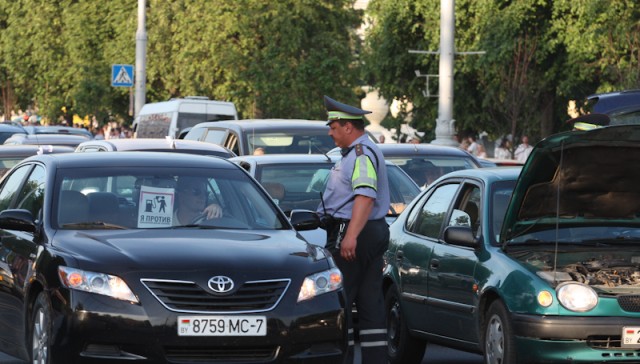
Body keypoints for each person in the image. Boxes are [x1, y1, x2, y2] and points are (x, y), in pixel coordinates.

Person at [317, 95, 390, 364]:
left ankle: (343, 358)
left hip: (357, 233)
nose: (330, 132)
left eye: (334, 127)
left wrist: (351, 236)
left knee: (341, 300)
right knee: (370, 303)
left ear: (349, 127)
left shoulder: (360, 155)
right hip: (368, 232)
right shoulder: (357, 153)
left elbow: (365, 197)